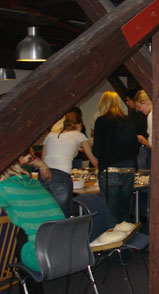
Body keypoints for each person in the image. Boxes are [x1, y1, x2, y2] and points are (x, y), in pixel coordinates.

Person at [0, 157, 65, 294]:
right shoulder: (33, 182)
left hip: (40, 256)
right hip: (67, 251)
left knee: (23, 238)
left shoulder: (4, 188)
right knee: (24, 234)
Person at [92, 91, 139, 226]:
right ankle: (126, 243)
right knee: (125, 212)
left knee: (111, 212)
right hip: (129, 169)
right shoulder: (130, 120)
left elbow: (97, 151)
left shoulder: (101, 121)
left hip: (110, 170)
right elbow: (135, 148)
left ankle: (112, 245)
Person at [41, 110, 98, 217]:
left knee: (46, 214)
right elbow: (93, 159)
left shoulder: (50, 135)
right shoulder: (79, 135)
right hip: (61, 177)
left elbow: (43, 159)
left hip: (44, 176)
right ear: (79, 124)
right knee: (62, 216)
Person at [125, 89, 149, 169]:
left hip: (144, 146)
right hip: (139, 146)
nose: (127, 103)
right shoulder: (134, 114)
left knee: (143, 168)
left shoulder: (143, 115)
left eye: (128, 100)